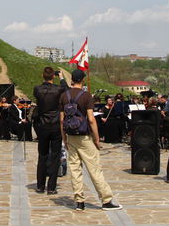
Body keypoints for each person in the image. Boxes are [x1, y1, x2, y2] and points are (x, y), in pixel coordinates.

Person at [59, 69, 120, 211]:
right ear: (83, 80)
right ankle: (106, 200)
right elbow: (91, 119)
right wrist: (97, 138)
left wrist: (64, 138)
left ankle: (79, 201)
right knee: (94, 169)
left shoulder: (64, 96)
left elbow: (62, 120)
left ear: (72, 79)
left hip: (71, 136)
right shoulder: (86, 96)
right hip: (84, 136)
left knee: (75, 170)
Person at [33, 67, 63, 194]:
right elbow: (67, 90)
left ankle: (40, 186)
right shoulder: (58, 89)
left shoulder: (37, 89)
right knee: (55, 156)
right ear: (53, 76)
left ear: (42, 75)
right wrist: (61, 78)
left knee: (42, 156)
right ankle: (51, 187)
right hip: (55, 124)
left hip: (43, 125)